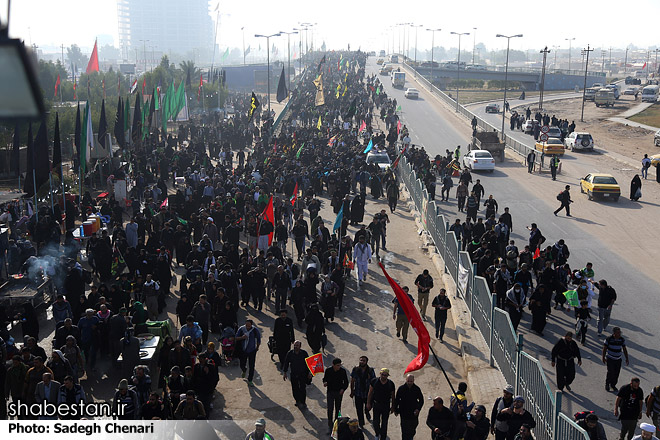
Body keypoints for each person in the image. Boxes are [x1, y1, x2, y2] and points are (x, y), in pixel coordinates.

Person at [367, 367, 396, 440]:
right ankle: (377, 433)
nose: (384, 376)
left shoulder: (390, 384)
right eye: (382, 374)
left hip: (386, 405)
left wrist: (393, 406)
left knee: (384, 423)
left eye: (385, 375)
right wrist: (368, 403)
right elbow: (370, 393)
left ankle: (383, 437)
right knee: (376, 422)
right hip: (376, 404)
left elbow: (393, 396)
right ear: (380, 374)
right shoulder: (374, 381)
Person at [394, 374, 424, 440]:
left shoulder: (416, 389)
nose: (410, 383)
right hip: (404, 413)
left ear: (413, 381)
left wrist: (418, 409)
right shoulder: (401, 389)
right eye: (408, 381)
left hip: (413, 414)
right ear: (406, 380)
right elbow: (397, 400)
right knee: (404, 431)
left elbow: (421, 400)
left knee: (412, 429)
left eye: (411, 381)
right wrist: (395, 410)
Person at [323, 357, 350, 433]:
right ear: (333, 365)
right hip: (330, 392)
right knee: (330, 408)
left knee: (338, 408)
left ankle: (337, 423)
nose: (339, 367)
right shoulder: (328, 370)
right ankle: (330, 424)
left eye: (339, 365)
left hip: (339, 392)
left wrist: (343, 389)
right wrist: (325, 382)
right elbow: (325, 379)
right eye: (337, 365)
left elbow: (346, 382)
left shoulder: (342, 371)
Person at [282, 340, 311, 408]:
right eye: (295, 345)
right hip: (294, 374)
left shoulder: (304, 353)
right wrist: (285, 372)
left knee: (302, 388)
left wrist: (310, 373)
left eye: (297, 345)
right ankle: (297, 401)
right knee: (295, 388)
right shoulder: (290, 353)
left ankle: (303, 402)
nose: (296, 347)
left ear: (300, 346)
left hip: (302, 374)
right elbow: (286, 363)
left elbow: (309, 364)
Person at [350, 355, 376, 427]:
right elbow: (352, 381)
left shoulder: (370, 370)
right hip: (358, 393)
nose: (362, 362)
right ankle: (361, 423)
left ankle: (367, 412)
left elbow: (374, 382)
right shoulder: (355, 369)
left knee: (368, 406)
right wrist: (352, 392)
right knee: (359, 410)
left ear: (366, 362)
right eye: (361, 360)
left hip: (368, 393)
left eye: (363, 360)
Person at [236, 319, 262, 387]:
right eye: (246, 325)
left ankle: (250, 380)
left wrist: (257, 347)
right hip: (243, 350)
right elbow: (236, 338)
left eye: (249, 326)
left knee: (252, 366)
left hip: (252, 350)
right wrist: (242, 337)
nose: (247, 327)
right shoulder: (241, 329)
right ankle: (244, 370)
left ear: (251, 325)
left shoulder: (255, 330)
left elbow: (259, 339)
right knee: (242, 364)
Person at [603, 327, 630, 392]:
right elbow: (604, 348)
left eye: (620, 332)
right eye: (618, 333)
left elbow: (624, 349)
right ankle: (607, 384)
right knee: (610, 372)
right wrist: (603, 357)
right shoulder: (609, 339)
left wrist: (627, 358)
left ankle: (613, 385)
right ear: (614, 333)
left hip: (618, 359)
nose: (619, 334)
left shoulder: (622, 340)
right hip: (610, 358)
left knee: (616, 373)